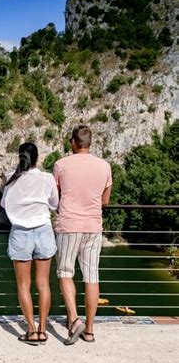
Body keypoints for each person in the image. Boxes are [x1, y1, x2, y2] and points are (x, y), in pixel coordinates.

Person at [53, 125, 112, 345]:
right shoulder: (104, 166)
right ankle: (89, 330)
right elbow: (105, 201)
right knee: (91, 276)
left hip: (68, 225)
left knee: (65, 271)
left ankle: (74, 320)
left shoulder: (61, 164)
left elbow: (56, 196)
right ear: (90, 143)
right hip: (93, 226)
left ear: (73, 143)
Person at [1, 142, 59, 345]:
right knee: (43, 283)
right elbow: (54, 204)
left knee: (23, 286)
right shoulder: (47, 178)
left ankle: (31, 330)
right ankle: (43, 330)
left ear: (20, 157)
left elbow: (4, 204)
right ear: (37, 158)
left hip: (20, 234)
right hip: (43, 231)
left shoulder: (10, 179)